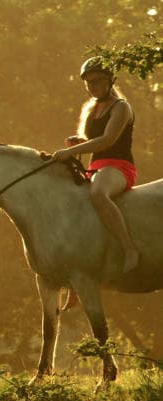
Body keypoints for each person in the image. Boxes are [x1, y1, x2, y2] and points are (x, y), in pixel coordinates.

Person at [50, 56, 141, 274]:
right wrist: (79, 142)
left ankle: (129, 249)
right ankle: (76, 274)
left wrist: (70, 151)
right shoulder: (92, 109)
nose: (93, 86)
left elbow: (107, 141)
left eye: (98, 81)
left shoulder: (121, 107)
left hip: (118, 167)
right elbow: (91, 141)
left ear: (111, 80)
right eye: (89, 82)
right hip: (96, 167)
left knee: (98, 193)